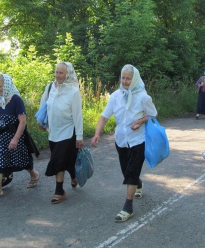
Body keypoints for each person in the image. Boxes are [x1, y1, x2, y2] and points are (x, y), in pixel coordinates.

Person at [91, 64, 157, 223]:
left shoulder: (143, 97)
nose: (125, 81)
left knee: (132, 171)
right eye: (123, 77)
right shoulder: (115, 96)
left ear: (134, 79)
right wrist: (97, 134)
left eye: (129, 78)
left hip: (138, 140)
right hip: (121, 140)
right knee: (127, 171)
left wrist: (141, 121)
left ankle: (128, 207)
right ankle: (138, 183)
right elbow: (104, 117)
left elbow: (153, 114)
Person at [0, 74, 40, 201]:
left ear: (8, 86)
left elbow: (22, 121)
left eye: (0, 86)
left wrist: (15, 139)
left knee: (22, 160)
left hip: (15, 137)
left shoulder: (16, 100)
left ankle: (34, 175)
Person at [39, 62, 84, 204]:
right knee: (68, 159)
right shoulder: (50, 87)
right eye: (57, 72)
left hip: (68, 132)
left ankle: (59, 191)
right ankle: (74, 175)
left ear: (68, 74)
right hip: (53, 131)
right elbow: (44, 104)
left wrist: (80, 136)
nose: (58, 75)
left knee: (58, 159)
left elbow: (78, 115)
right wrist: (42, 122)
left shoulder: (73, 92)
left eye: (61, 73)